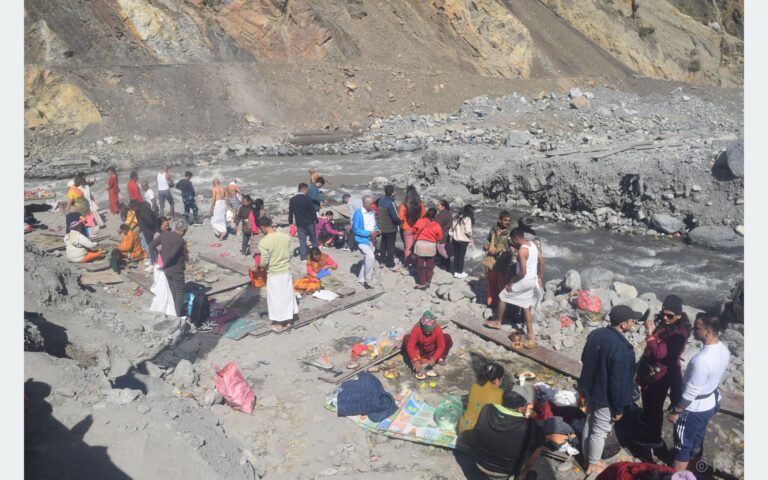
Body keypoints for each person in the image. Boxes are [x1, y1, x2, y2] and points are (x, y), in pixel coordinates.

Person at [577, 305, 642, 476]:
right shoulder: (622, 349)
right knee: (599, 431)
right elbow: (618, 383)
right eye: (632, 320)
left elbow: (584, 358)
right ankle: (592, 465)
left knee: (590, 421)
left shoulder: (596, 334)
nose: (634, 322)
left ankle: (587, 457)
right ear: (623, 324)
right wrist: (619, 409)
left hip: (590, 387)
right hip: (605, 396)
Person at [667, 314, 730, 472]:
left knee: (682, 445)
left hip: (694, 408)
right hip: (711, 401)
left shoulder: (701, 360)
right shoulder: (723, 349)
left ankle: (679, 475)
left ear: (708, 332)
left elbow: (691, 392)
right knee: (697, 437)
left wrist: (676, 411)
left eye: (697, 328)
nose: (693, 331)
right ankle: (693, 468)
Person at [637, 294, 691, 451]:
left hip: (662, 374)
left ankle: (654, 439)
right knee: (647, 396)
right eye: (664, 314)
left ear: (679, 315)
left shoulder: (679, 334)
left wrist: (650, 335)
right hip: (653, 369)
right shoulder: (668, 324)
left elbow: (660, 353)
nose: (665, 318)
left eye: (670, 315)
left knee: (655, 405)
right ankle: (646, 421)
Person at [474, 387, 544, 480]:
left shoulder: (487, 408)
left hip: (480, 465)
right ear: (520, 408)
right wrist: (533, 418)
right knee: (539, 444)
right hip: (504, 474)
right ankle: (522, 475)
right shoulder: (528, 425)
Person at [484, 228, 541, 342]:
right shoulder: (533, 245)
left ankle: (498, 322)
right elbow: (541, 259)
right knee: (526, 306)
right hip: (532, 280)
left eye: (512, 240)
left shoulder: (522, 250)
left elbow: (523, 272)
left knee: (503, 296)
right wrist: (540, 275)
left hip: (524, 280)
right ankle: (530, 333)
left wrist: (512, 281)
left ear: (515, 239)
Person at [257, 216, 299, 332]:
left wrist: (259, 267)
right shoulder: (285, 237)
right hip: (286, 271)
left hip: (274, 273)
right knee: (287, 296)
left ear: (262, 227)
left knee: (275, 299)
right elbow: (290, 253)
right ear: (271, 223)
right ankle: (289, 320)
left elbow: (264, 261)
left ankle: (279, 322)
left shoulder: (264, 242)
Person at [149, 219, 189, 318]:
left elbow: (151, 246)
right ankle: (177, 316)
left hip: (167, 270)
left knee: (172, 290)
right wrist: (164, 264)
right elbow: (172, 255)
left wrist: (154, 262)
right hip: (176, 269)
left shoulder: (165, 234)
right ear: (183, 230)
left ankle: (171, 312)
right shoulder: (180, 240)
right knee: (179, 291)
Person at [457, 362, 505, 444]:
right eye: (501, 378)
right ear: (496, 380)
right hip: (477, 438)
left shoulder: (474, 386)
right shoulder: (500, 393)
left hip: (462, 429)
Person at [403, 311, 452, 379]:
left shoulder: (437, 328)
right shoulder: (417, 328)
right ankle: (418, 360)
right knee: (406, 338)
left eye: (430, 331)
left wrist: (434, 359)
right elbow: (410, 346)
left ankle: (440, 358)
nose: (428, 333)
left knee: (447, 338)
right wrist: (415, 360)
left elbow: (441, 346)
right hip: (421, 349)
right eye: (426, 331)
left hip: (432, 348)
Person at [484, 211, 513, 307]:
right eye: (505, 220)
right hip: (491, 259)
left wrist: (498, 251)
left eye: (509, 220)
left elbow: (512, 247)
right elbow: (488, 240)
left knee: (502, 282)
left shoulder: (510, 233)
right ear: (500, 220)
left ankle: (502, 304)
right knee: (491, 281)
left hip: (503, 261)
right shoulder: (493, 230)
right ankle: (492, 302)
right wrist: (486, 245)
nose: (507, 222)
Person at [411, 207, 442, 289]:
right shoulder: (436, 224)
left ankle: (422, 283)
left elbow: (413, 231)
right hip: (431, 246)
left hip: (420, 244)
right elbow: (439, 237)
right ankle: (428, 281)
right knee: (430, 265)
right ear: (435, 215)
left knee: (420, 265)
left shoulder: (420, 221)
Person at [352, 195, 379, 289]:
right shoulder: (358, 213)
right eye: (371, 204)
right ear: (364, 204)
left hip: (371, 240)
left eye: (373, 203)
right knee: (371, 257)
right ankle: (368, 280)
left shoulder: (372, 211)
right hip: (362, 240)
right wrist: (368, 233)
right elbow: (355, 229)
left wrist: (377, 230)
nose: (373, 205)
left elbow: (374, 224)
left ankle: (360, 279)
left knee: (367, 259)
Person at [288, 183, 319, 261]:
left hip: (299, 223)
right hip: (310, 223)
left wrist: (290, 222)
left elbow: (290, 212)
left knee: (302, 240)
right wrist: (316, 220)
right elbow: (313, 211)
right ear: (304, 189)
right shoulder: (308, 199)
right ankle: (316, 255)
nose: (308, 191)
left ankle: (303, 257)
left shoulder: (292, 200)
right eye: (307, 190)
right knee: (313, 239)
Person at [398, 186, 426, 267]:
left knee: (408, 247)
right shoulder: (421, 204)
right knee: (417, 246)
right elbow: (423, 216)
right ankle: (418, 262)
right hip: (418, 228)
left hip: (407, 228)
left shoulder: (404, 205)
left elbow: (400, 217)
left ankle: (408, 263)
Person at [377, 185, 401, 271]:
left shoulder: (381, 201)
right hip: (390, 228)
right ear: (392, 193)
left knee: (383, 244)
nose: (395, 192)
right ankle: (391, 264)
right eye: (394, 191)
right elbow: (396, 217)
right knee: (391, 246)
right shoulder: (391, 203)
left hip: (382, 227)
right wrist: (400, 223)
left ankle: (382, 261)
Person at [131, 199, 158, 271]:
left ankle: (154, 263)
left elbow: (150, 222)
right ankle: (151, 260)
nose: (133, 210)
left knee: (150, 247)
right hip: (143, 230)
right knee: (145, 246)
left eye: (133, 208)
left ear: (136, 206)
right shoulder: (138, 210)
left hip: (149, 231)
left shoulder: (144, 211)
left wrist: (153, 231)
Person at [449, 204, 474, 279]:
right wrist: (471, 235)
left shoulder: (457, 217)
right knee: (461, 257)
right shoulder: (467, 219)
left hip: (455, 240)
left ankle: (455, 272)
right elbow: (468, 231)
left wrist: (453, 235)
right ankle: (460, 272)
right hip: (463, 241)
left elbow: (451, 228)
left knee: (456, 256)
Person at [435, 199, 453, 271]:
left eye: (438, 205)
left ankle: (443, 266)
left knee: (442, 252)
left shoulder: (441, 215)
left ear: (443, 206)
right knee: (446, 251)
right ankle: (447, 266)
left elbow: (437, 226)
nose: (437, 207)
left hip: (442, 235)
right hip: (447, 234)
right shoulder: (449, 213)